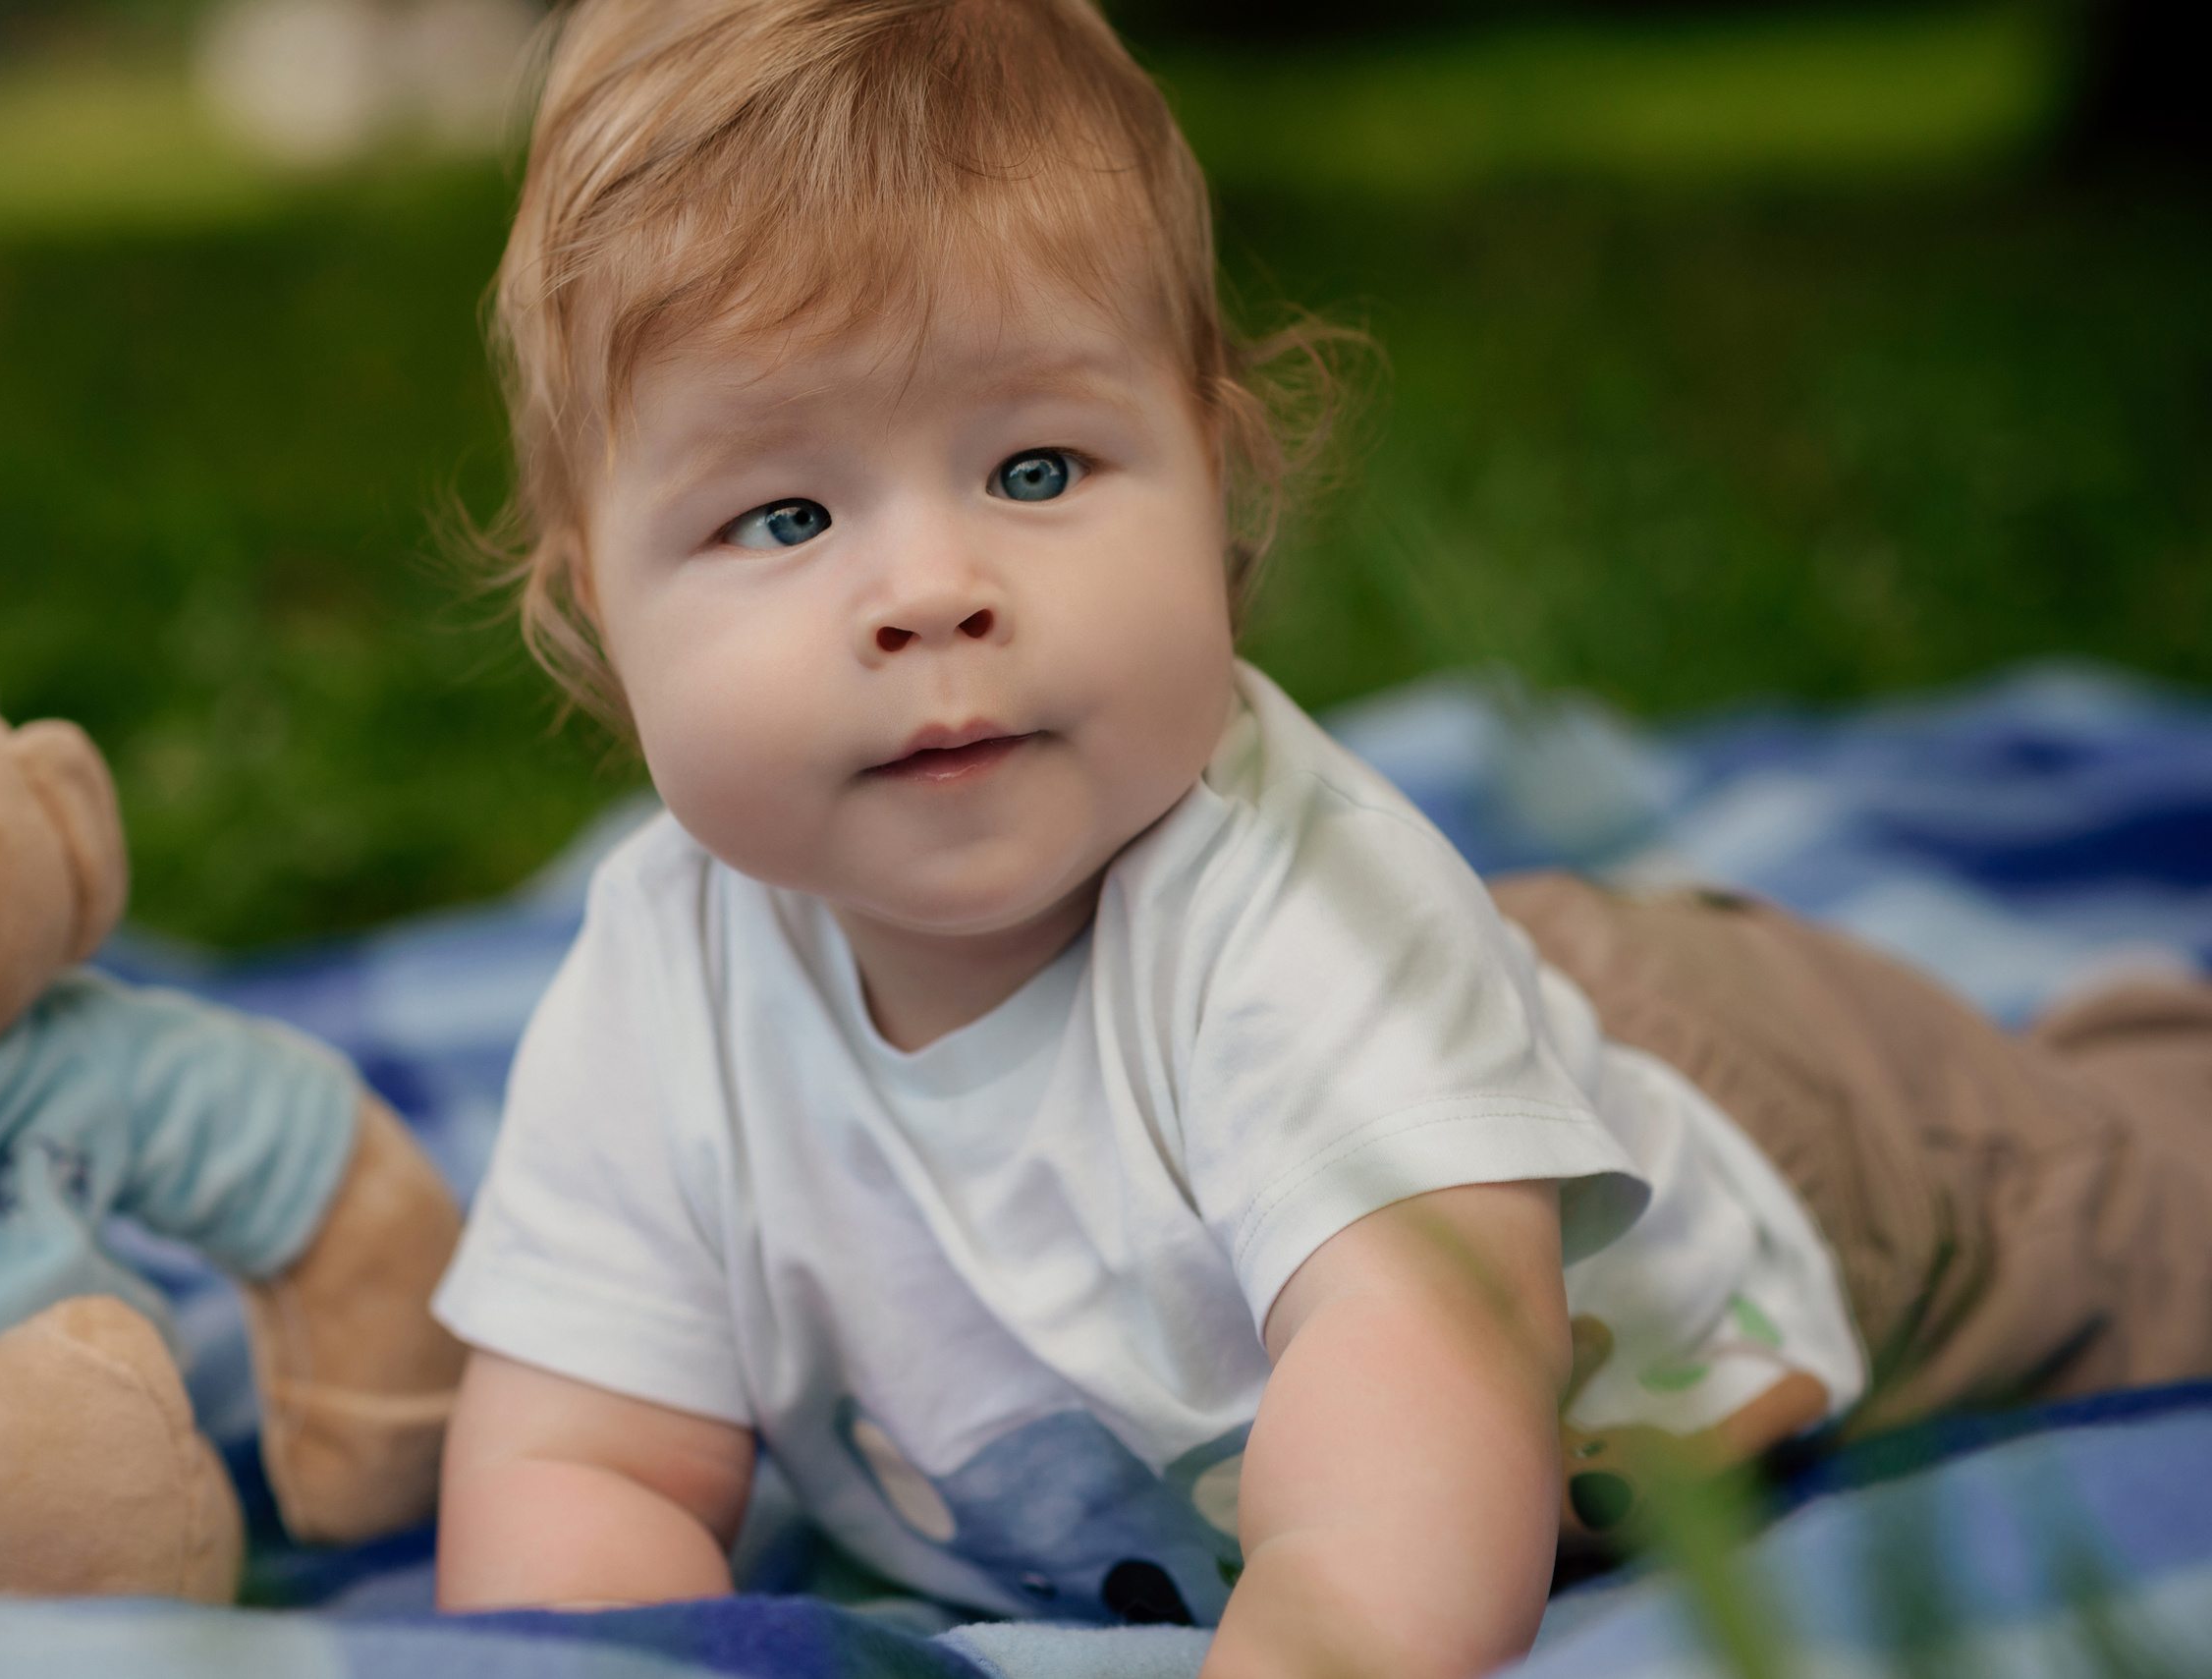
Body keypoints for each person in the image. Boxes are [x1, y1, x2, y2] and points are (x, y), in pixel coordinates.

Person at [427, 2, 2212, 1674]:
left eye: (1034, 469)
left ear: (1217, 476)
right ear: (599, 595)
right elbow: (582, 1471)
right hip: (1465, 1016)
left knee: (2149, 1213)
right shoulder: (656, 982)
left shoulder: (1298, 917)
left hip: (1793, 1141)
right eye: (786, 512)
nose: (931, 592)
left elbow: (1403, 1460)